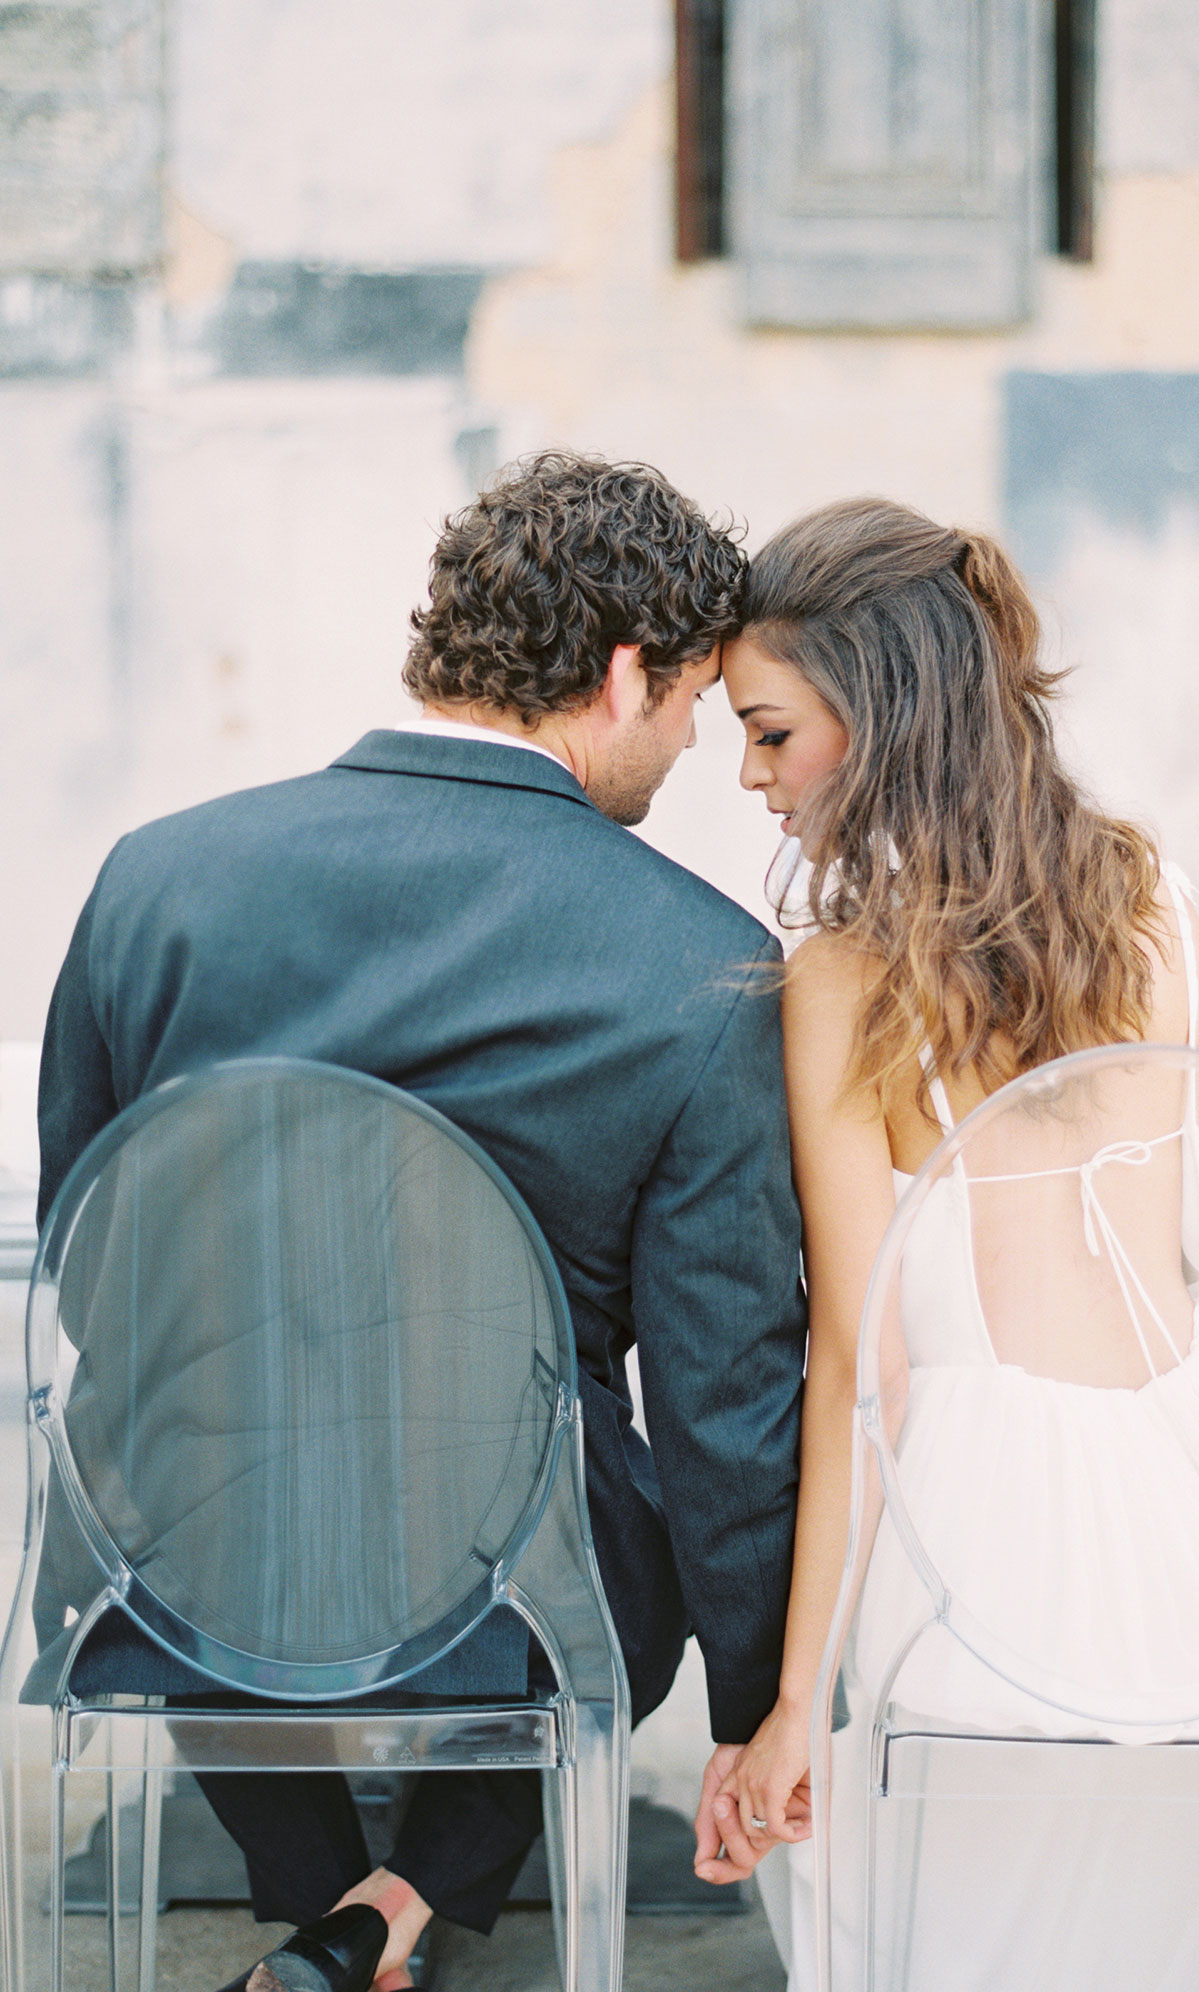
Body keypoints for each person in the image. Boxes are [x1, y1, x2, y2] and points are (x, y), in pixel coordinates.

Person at [694, 497, 1199, 1989]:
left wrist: (793, 1699)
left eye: (769, 732)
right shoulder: (1161, 903)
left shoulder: (843, 977)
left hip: (995, 1538)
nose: (749, 775)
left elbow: (864, 1371)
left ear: (876, 721)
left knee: (905, 1842)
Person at [35, 452, 807, 1992]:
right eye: (692, 707)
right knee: (620, 1508)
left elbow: (90, 1250)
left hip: (181, 1565)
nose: (698, 752)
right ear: (620, 675)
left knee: (188, 1431)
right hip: (503, 1586)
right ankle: (397, 1906)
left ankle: (329, 1909)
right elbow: (728, 1398)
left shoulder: (154, 881)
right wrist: (754, 1705)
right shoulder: (706, 972)